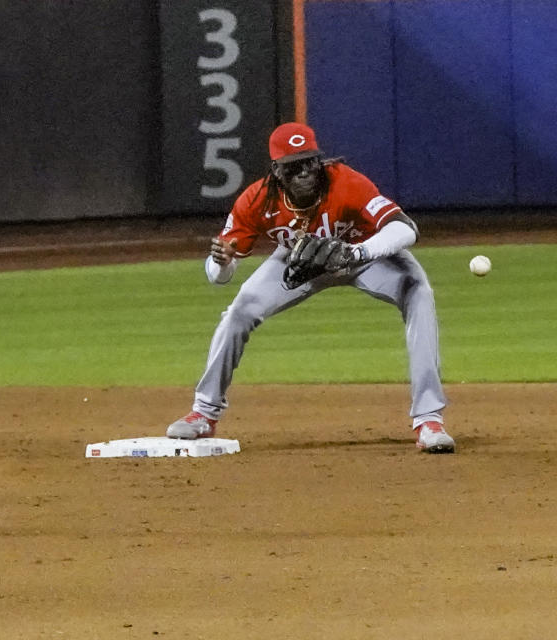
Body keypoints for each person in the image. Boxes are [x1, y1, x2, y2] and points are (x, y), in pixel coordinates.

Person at [165, 122, 454, 454]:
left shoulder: (347, 182)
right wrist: (223, 261)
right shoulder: (257, 199)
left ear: (320, 160)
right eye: (293, 165)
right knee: (239, 311)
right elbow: (219, 276)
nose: (304, 171)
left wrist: (358, 252)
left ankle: (429, 420)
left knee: (418, 291)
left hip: (361, 253)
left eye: (310, 161)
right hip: (298, 262)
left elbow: (404, 229)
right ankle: (203, 412)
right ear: (276, 170)